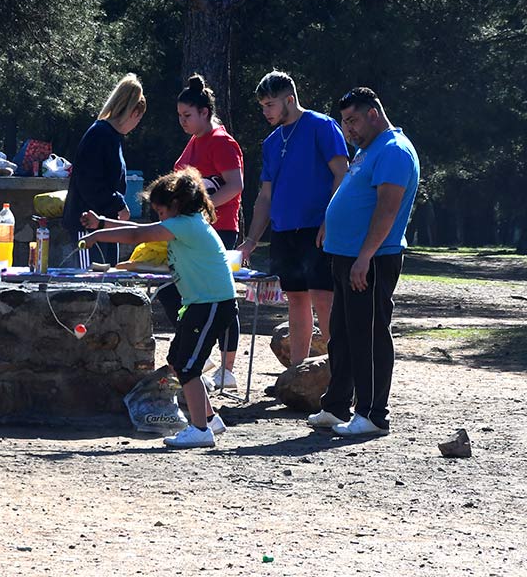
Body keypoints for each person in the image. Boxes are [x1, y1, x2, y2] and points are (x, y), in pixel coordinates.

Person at [80, 167, 238, 449]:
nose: (160, 218)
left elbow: (137, 235)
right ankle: (209, 419)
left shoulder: (186, 224)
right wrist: (102, 222)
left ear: (176, 204)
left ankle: (200, 431)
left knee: (188, 367)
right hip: (198, 304)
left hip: (212, 304)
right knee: (178, 362)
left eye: (161, 212)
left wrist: (99, 234)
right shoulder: (185, 223)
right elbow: (140, 230)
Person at [309, 88, 419, 437]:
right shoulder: (368, 150)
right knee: (341, 335)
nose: (348, 130)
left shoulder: (394, 151)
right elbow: (353, 195)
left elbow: (387, 209)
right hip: (346, 257)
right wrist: (331, 221)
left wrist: (365, 256)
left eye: (353, 120)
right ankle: (336, 406)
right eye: (344, 122)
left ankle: (373, 414)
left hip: (372, 260)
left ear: (373, 114)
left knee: (368, 336)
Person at [238, 71, 348, 365]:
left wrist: (330, 220)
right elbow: (265, 196)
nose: (265, 112)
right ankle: (298, 372)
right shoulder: (271, 142)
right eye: (262, 106)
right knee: (296, 299)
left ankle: (342, 374)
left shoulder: (322, 126)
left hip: (318, 229)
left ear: (289, 99)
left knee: (323, 299)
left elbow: (342, 174)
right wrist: (251, 240)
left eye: (270, 105)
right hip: (284, 231)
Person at [156, 75, 244, 388]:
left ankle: (227, 368)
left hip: (219, 229)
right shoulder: (194, 140)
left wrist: (201, 210)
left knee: (222, 296)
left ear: (205, 112)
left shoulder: (222, 141)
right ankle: (199, 351)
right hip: (189, 232)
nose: (182, 121)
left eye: (187, 115)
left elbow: (235, 185)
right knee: (171, 292)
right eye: (179, 116)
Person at [62, 74, 146, 268]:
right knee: (89, 279)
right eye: (139, 119)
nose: (136, 125)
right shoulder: (99, 134)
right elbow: (89, 182)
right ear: (133, 113)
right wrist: (118, 204)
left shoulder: (112, 136)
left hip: (105, 224)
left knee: (108, 279)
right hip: (86, 224)